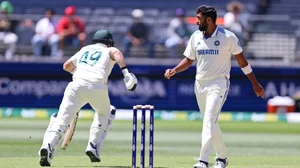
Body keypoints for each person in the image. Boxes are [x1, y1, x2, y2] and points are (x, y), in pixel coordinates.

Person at [164, 5, 264, 168]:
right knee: (210, 122)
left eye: (198, 18)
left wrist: (255, 83)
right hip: (200, 84)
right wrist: (174, 70)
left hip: (219, 84)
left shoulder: (228, 37)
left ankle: (203, 160)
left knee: (209, 119)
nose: (196, 21)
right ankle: (222, 158)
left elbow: (242, 62)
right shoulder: (195, 36)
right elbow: (189, 60)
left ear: (208, 20)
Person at [38, 29, 137, 167]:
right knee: (105, 113)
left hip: (75, 85)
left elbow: (66, 66)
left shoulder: (85, 49)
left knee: (61, 119)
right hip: (97, 86)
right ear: (109, 43)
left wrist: (83, 72)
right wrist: (126, 73)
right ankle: (93, 145)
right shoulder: (109, 50)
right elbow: (117, 53)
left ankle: (48, 146)